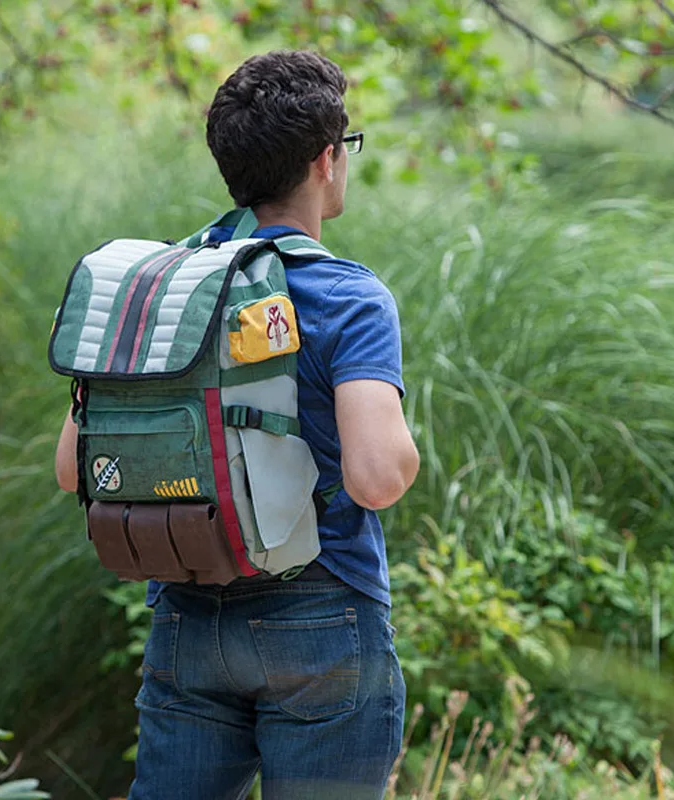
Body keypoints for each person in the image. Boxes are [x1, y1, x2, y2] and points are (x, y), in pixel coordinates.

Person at [55, 49, 420, 800]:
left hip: (188, 613)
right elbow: (378, 479)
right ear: (326, 159)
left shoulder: (158, 284)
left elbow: (72, 471)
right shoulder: (351, 297)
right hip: (324, 618)